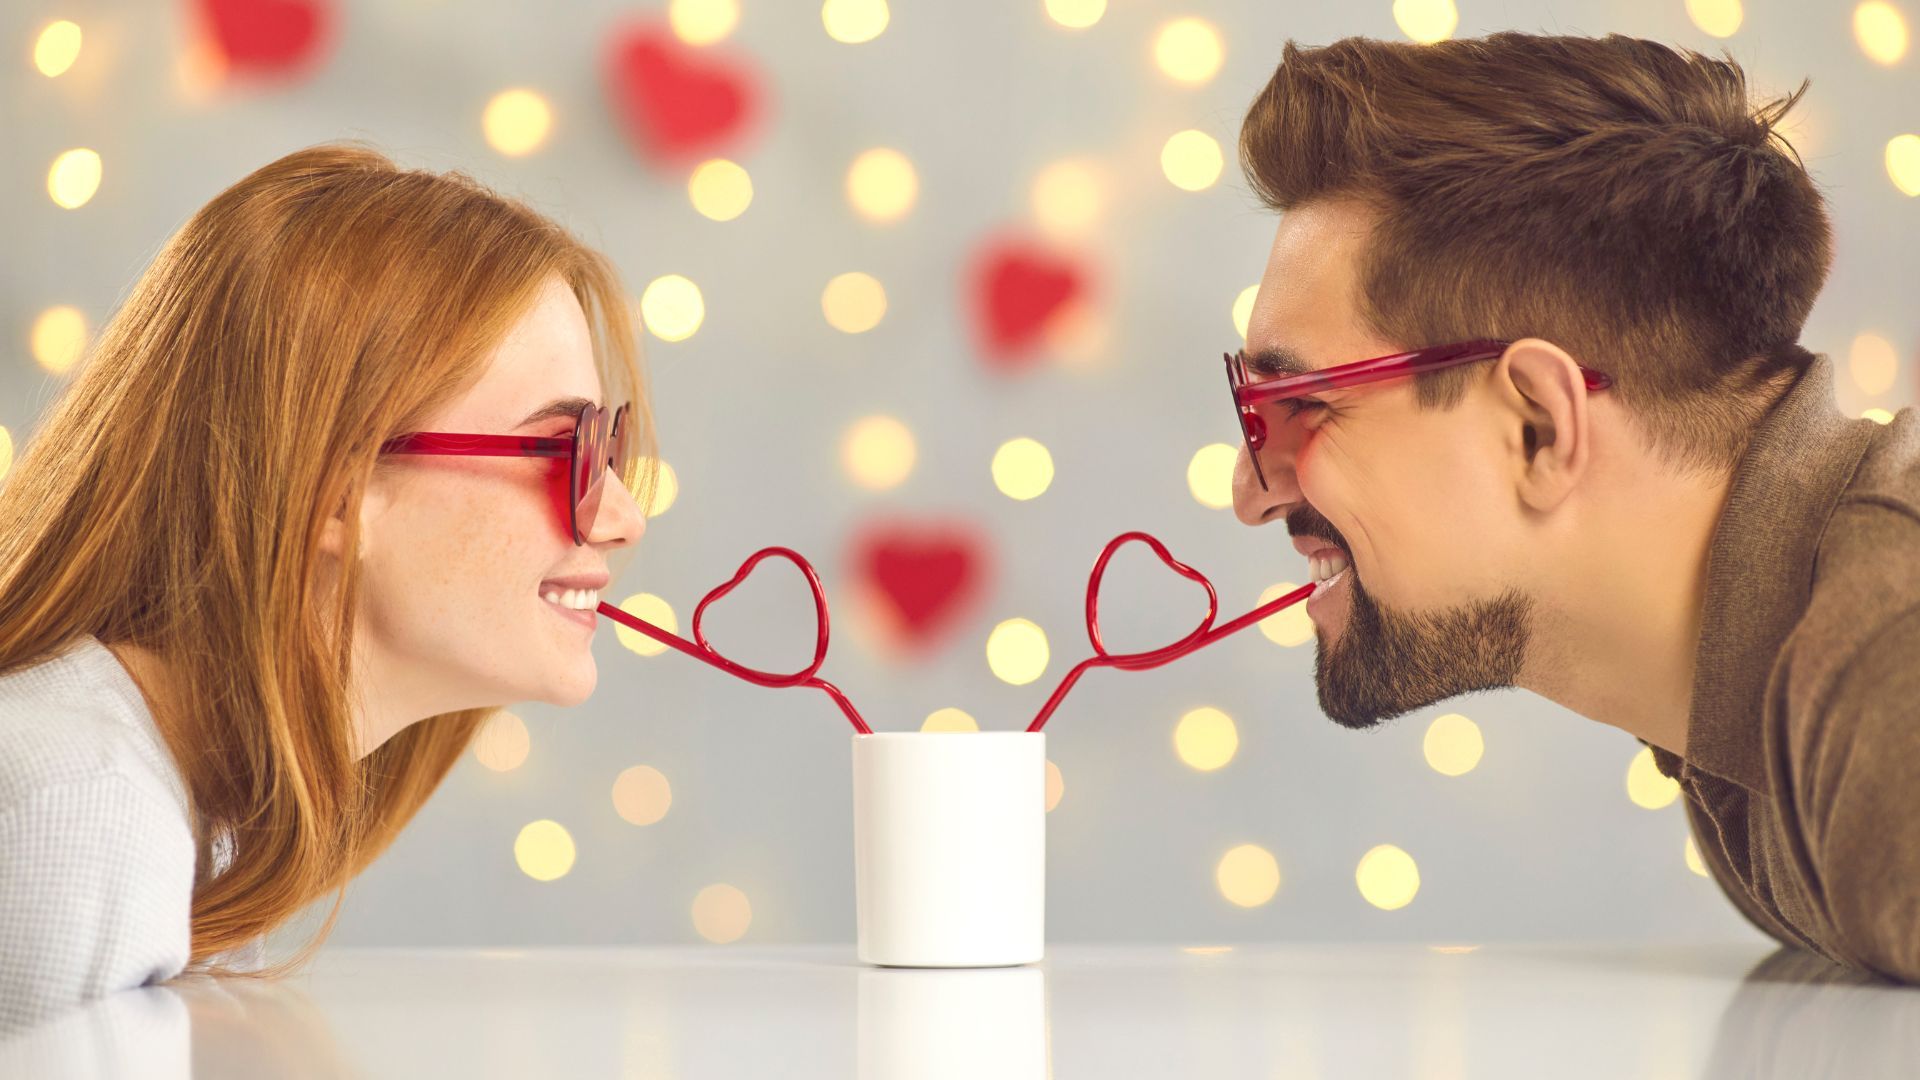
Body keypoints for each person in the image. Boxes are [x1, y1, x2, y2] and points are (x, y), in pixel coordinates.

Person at [1226, 34, 1918, 982]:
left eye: (1299, 404)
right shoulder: (1749, 739)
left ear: (1539, 426)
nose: (1251, 494)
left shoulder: (1888, 667)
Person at [0, 143, 654, 1029]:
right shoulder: (79, 818)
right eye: (558, 449)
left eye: (607, 448)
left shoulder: (192, 811)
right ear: (333, 490)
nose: (620, 517)